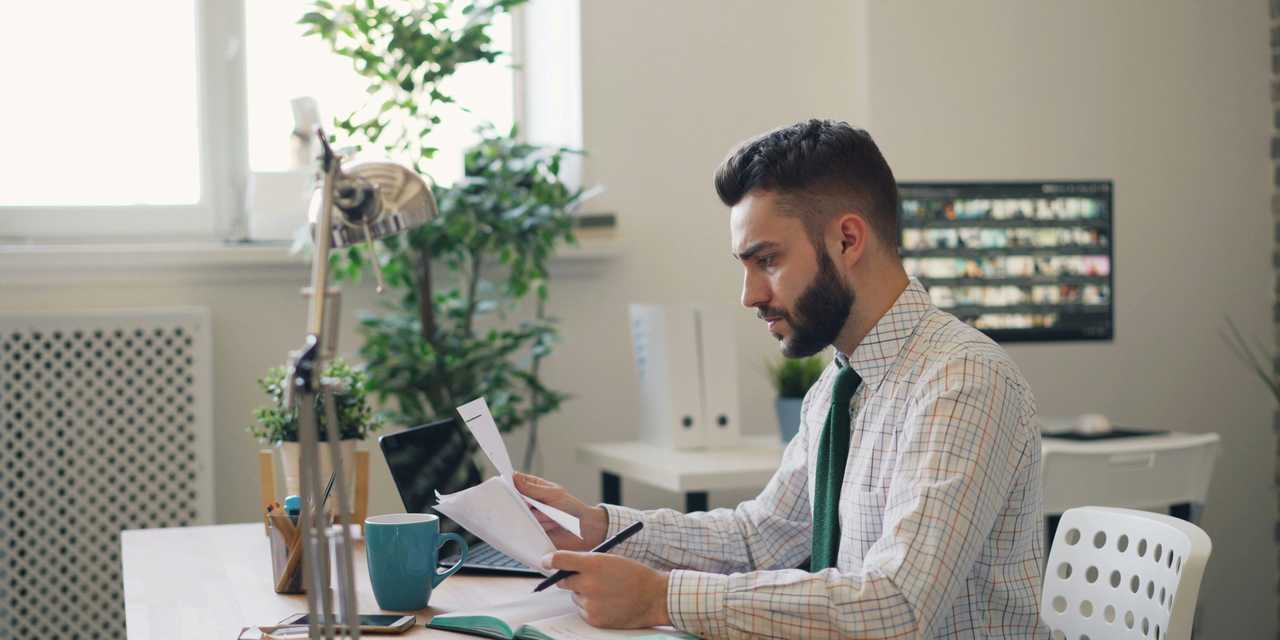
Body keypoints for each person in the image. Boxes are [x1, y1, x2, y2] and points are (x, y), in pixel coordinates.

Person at [515, 119, 1046, 639]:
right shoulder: (839, 389)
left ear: (847, 239)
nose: (750, 295)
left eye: (766, 260)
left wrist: (660, 597)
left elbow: (898, 605)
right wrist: (599, 528)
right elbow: (758, 538)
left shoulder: (962, 381)